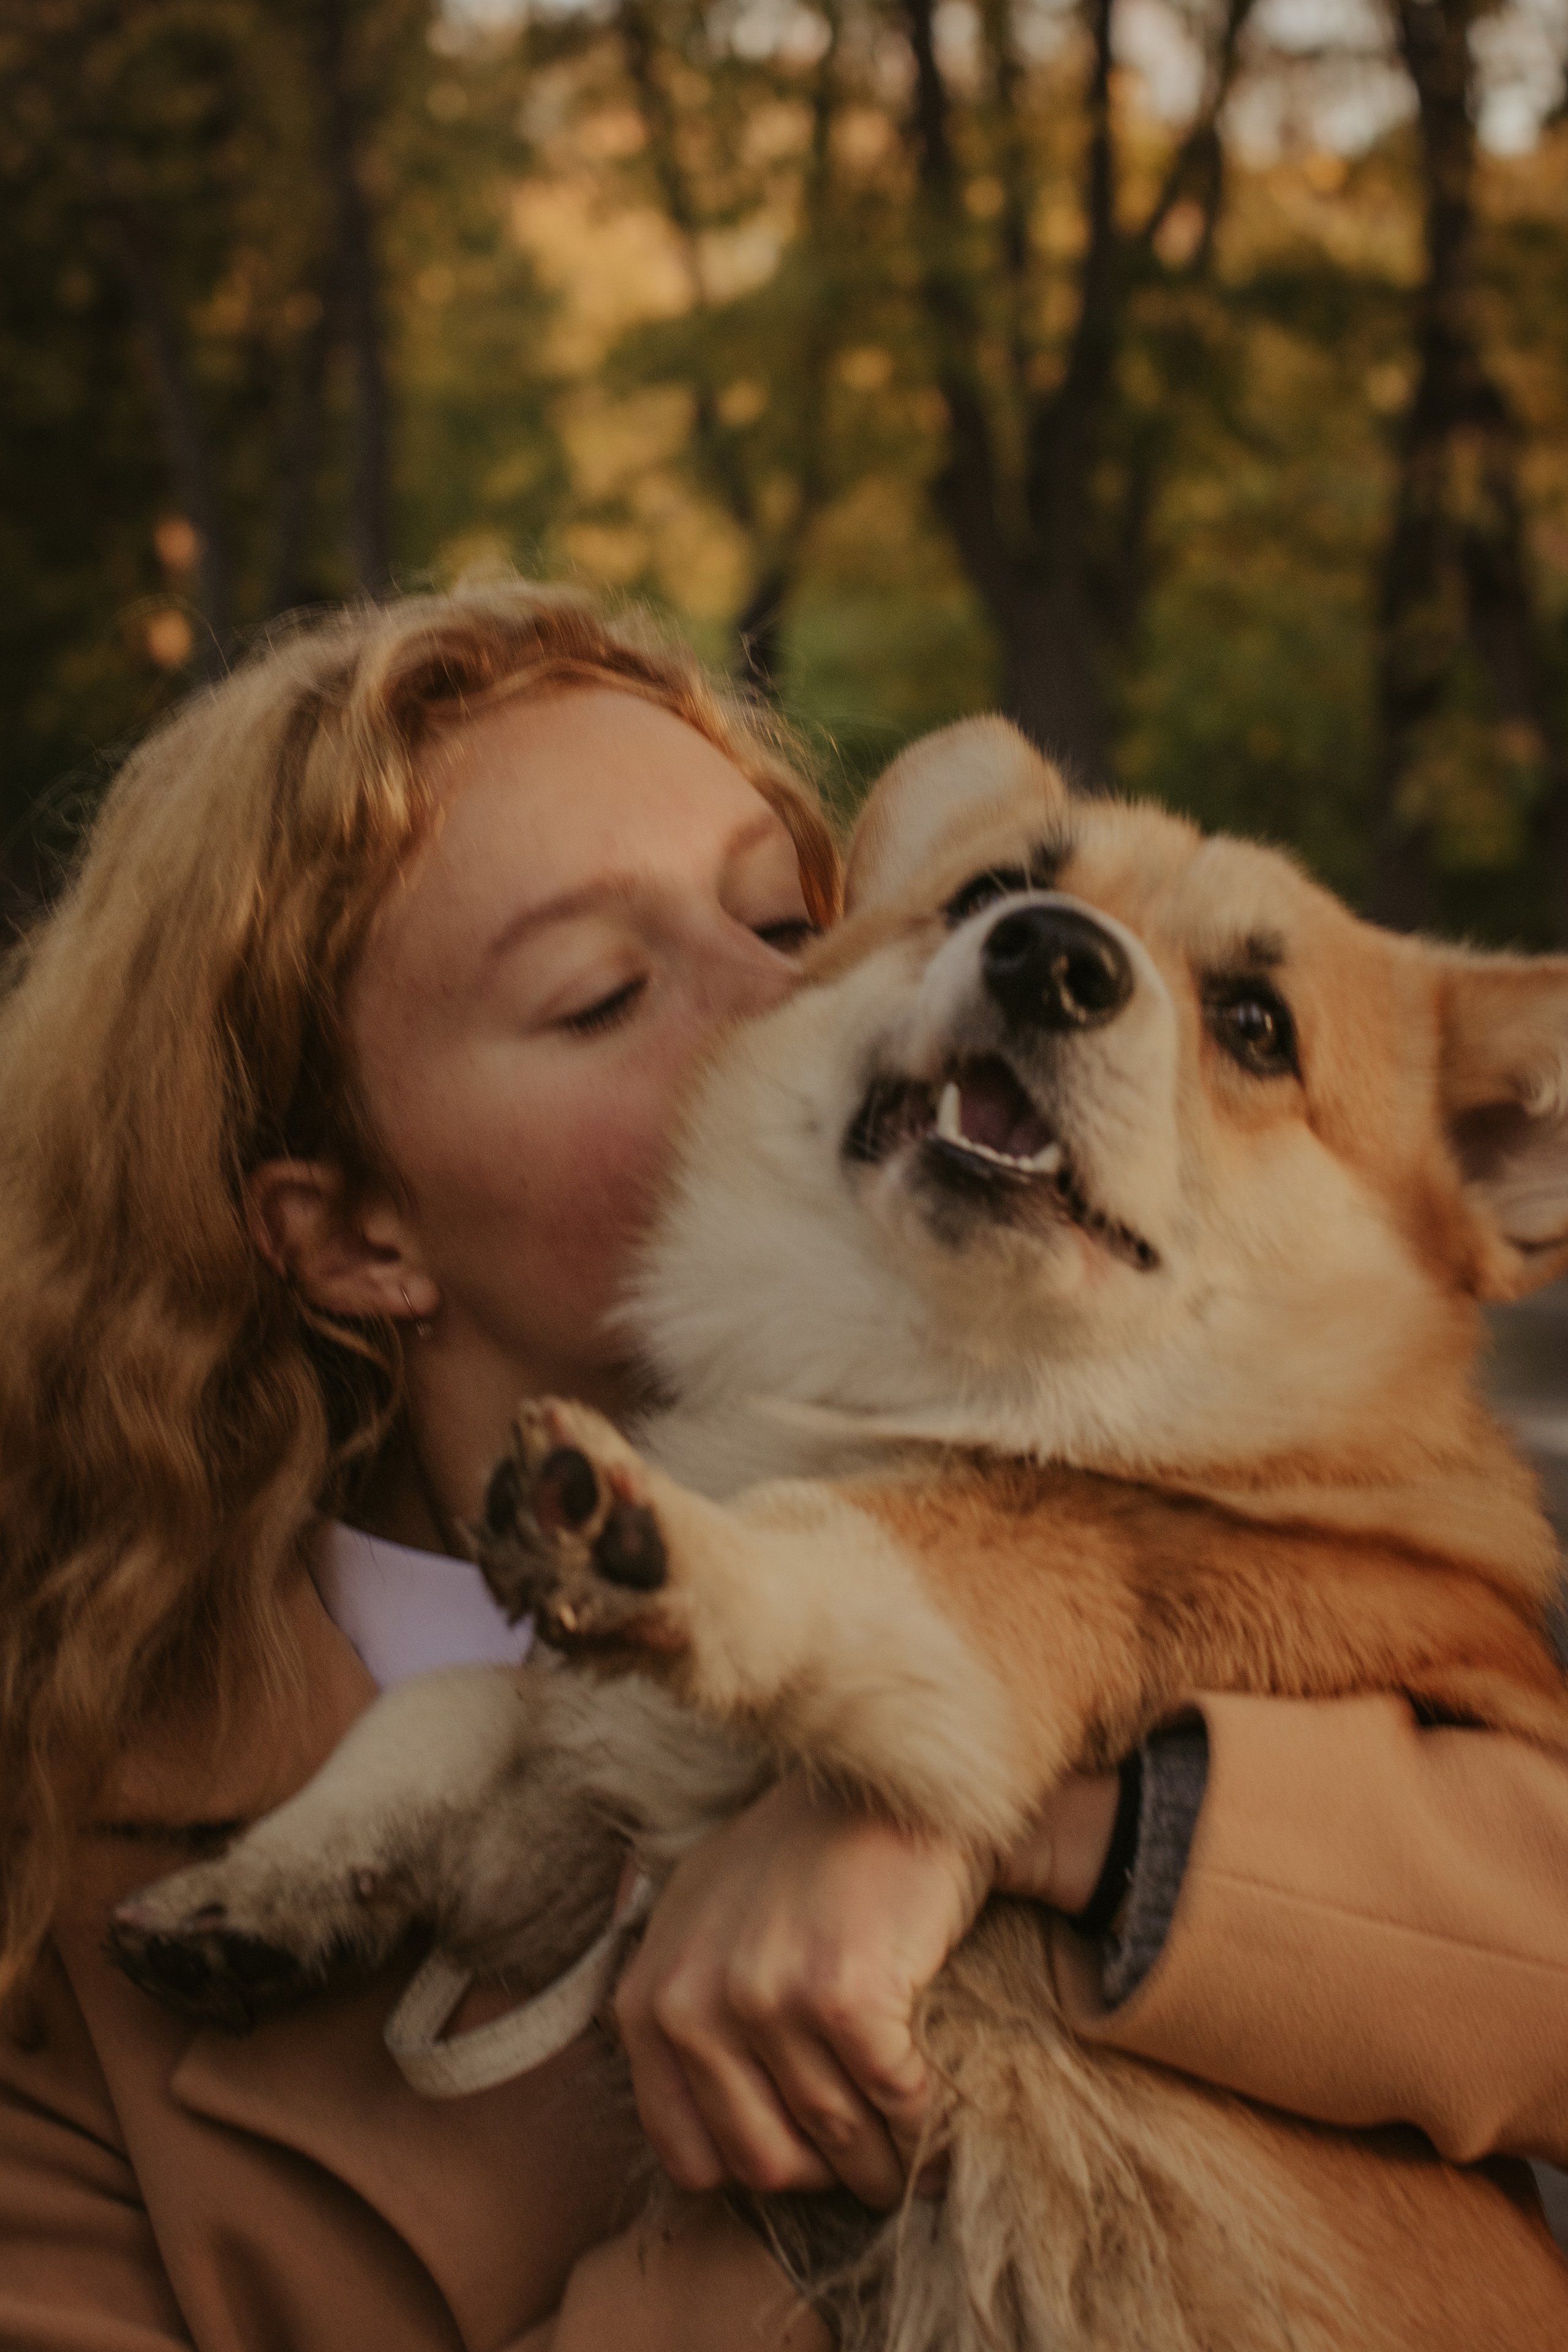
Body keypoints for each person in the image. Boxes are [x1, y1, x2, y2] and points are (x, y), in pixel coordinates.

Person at [0, 581, 1563, 2352]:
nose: (803, 987)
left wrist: (1010, 1829)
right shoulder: (54, 1957)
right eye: (601, 995)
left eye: (787, 914)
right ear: (357, 1234)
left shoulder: (1378, 1676)